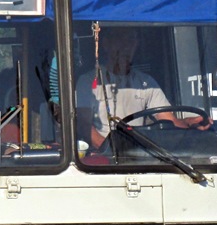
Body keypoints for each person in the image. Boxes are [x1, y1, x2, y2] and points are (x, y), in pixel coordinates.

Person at [75, 26, 209, 149]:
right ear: (106, 44)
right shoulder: (87, 82)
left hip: (140, 156)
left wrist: (189, 123)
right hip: (103, 160)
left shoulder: (146, 82)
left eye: (131, 39)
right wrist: (109, 150)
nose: (126, 45)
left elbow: (169, 120)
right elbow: (84, 125)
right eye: (120, 38)